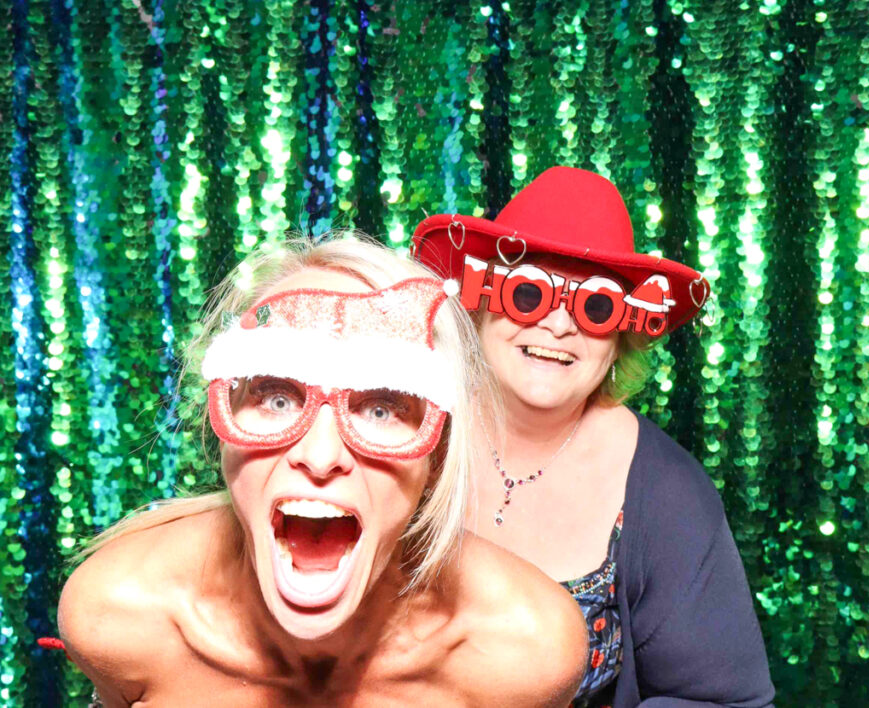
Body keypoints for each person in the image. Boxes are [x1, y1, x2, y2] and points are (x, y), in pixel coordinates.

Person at [58, 235, 587, 706]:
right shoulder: (118, 614)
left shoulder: (524, 650)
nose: (318, 455)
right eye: (277, 397)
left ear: (438, 452)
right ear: (219, 426)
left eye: (382, 408)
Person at [414, 167, 775, 708]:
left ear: (622, 338)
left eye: (596, 306)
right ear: (480, 303)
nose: (559, 325)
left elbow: (725, 702)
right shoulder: (395, 432)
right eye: (529, 291)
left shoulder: (664, 492)